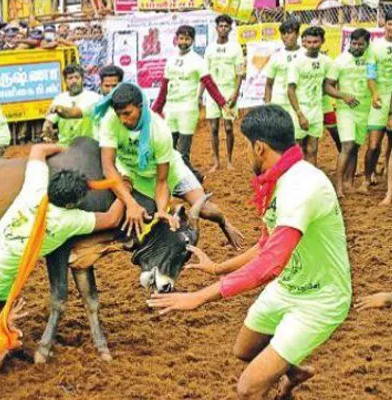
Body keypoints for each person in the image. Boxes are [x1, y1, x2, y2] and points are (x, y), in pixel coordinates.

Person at [148, 105, 351, 400]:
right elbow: (266, 244)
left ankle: (283, 376)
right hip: (288, 284)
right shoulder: (279, 177)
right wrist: (218, 268)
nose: (245, 155)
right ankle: (293, 373)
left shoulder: (301, 188)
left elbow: (270, 263)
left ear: (259, 147)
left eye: (246, 147)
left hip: (319, 298)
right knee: (244, 349)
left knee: (249, 388)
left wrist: (199, 297)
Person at [0, 143, 125, 318]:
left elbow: (38, 150)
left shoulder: (35, 189)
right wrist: (125, 188)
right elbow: (112, 219)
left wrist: (66, 150)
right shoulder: (68, 220)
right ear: (71, 205)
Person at [98, 82, 244, 247]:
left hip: (171, 171)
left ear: (140, 107)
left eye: (127, 113)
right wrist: (131, 203)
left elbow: (162, 181)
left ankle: (224, 223)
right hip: (133, 172)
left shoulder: (159, 131)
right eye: (119, 114)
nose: (123, 120)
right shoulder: (110, 121)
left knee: (204, 208)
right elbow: (108, 167)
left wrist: (161, 210)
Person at [152, 24, 233, 182]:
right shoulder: (171, 60)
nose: (183, 41)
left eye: (187, 38)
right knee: (169, 148)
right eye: (181, 38)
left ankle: (195, 179)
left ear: (192, 40)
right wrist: (155, 110)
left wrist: (222, 104)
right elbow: (164, 88)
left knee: (182, 153)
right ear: (177, 39)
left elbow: (209, 84)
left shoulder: (197, 61)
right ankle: (182, 180)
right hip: (171, 108)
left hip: (188, 110)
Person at [324, 28, 375, 198]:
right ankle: (338, 186)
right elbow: (328, 85)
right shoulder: (340, 61)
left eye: (361, 44)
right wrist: (342, 95)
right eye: (354, 43)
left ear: (368, 44)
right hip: (346, 109)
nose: (357, 47)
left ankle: (349, 182)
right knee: (346, 145)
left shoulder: (371, 60)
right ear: (349, 42)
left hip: (365, 108)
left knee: (356, 147)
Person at [204, 14, 245, 172]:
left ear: (230, 29)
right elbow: (205, 74)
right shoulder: (210, 48)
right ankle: (216, 162)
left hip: (229, 90)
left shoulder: (235, 48)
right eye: (220, 26)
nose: (223, 29)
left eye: (226, 26)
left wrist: (235, 94)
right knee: (213, 128)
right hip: (212, 92)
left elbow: (240, 73)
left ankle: (229, 160)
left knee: (228, 127)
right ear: (216, 28)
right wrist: (201, 94)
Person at [287, 26, 331, 166]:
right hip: (300, 109)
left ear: (322, 41)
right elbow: (291, 90)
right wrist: (299, 114)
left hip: (316, 110)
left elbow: (329, 83)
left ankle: (310, 182)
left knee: (312, 149)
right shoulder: (296, 62)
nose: (312, 45)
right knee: (297, 149)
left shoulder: (326, 61)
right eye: (309, 42)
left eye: (316, 42)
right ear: (304, 42)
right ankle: (297, 181)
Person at [360, 11, 392, 194]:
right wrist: (374, 94)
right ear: (385, 24)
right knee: (374, 144)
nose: (391, 28)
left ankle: (388, 174)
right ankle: (367, 178)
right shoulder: (374, 47)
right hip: (379, 99)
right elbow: (370, 75)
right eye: (390, 23)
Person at [43, 64, 101, 145]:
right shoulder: (59, 99)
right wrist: (47, 128)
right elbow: (48, 123)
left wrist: (59, 109)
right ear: (65, 81)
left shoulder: (94, 98)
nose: (74, 81)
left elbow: (73, 113)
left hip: (88, 146)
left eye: (77, 77)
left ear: (83, 79)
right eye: (70, 78)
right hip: (64, 146)